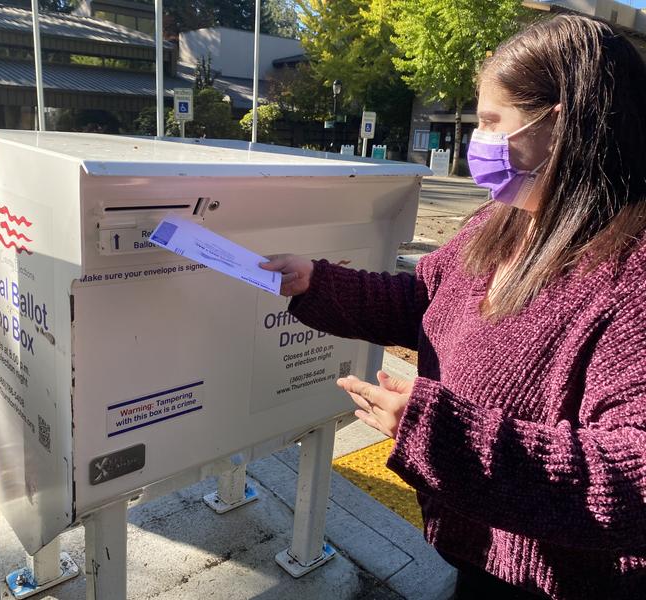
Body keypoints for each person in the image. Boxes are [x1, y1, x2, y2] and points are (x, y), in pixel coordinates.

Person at [261, 15, 646, 600]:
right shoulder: (507, 217)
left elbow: (631, 475)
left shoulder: (632, 271)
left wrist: (443, 437)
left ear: (562, 126)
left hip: (567, 584)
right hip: (475, 550)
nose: (478, 142)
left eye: (492, 121)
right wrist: (316, 283)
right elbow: (425, 301)